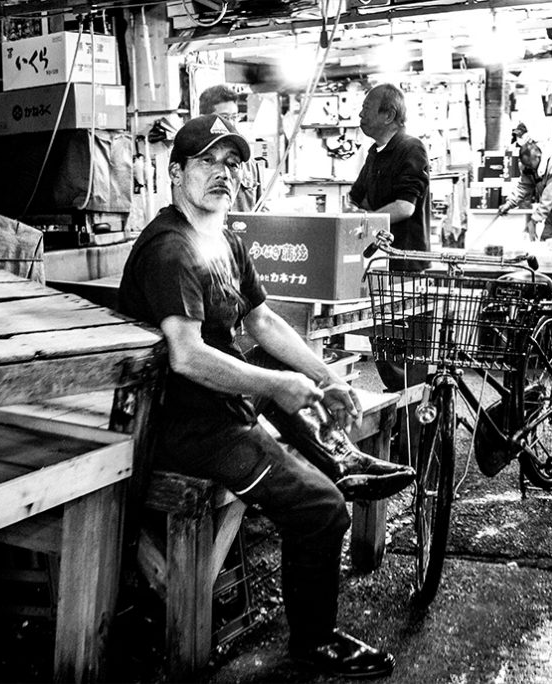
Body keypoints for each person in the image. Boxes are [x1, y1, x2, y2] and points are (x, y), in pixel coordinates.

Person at [118, 114, 413, 678]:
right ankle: (313, 642)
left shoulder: (224, 238)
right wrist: (279, 386)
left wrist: (327, 378)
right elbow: (187, 356)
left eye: (231, 163)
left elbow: (263, 321)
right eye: (206, 161)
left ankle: (342, 460)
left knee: (280, 362)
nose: (223, 173)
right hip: (185, 427)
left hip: (216, 403)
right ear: (175, 172)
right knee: (321, 511)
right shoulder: (170, 249)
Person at [345, 82, 430, 397]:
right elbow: (357, 197)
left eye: (366, 109)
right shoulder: (374, 154)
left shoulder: (411, 148)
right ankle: (397, 407)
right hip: (379, 264)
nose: (360, 114)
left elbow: (405, 207)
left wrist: (368, 220)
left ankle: (415, 408)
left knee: (406, 352)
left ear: (389, 114)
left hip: (406, 263)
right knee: (383, 343)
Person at [198, 84, 265, 212]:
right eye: (224, 117)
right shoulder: (193, 162)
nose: (231, 124)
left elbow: (259, 207)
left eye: (234, 117)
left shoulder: (246, 160)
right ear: (203, 118)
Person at [497, 138, 552, 241]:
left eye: (530, 165)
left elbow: (548, 197)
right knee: (546, 246)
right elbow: (524, 186)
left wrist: (534, 220)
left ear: (538, 157)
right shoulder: (529, 167)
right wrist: (509, 204)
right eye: (526, 165)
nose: (529, 168)